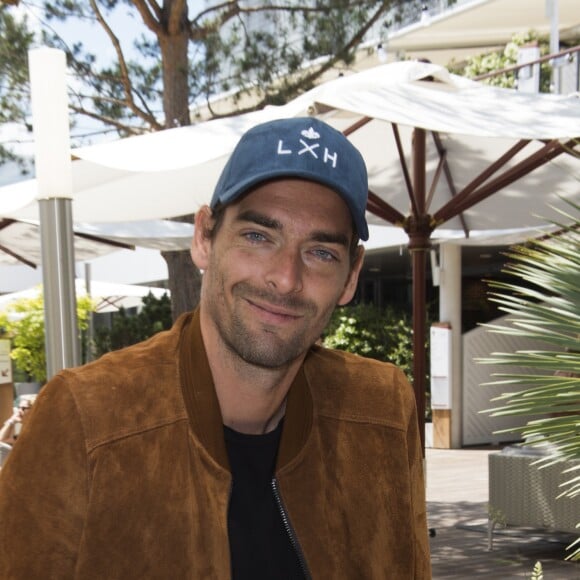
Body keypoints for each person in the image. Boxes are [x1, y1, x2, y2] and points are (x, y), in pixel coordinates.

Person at [0, 118, 431, 579]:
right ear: (204, 236)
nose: (285, 278)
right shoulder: (87, 416)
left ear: (350, 276)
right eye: (258, 237)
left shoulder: (380, 407)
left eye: (320, 252)